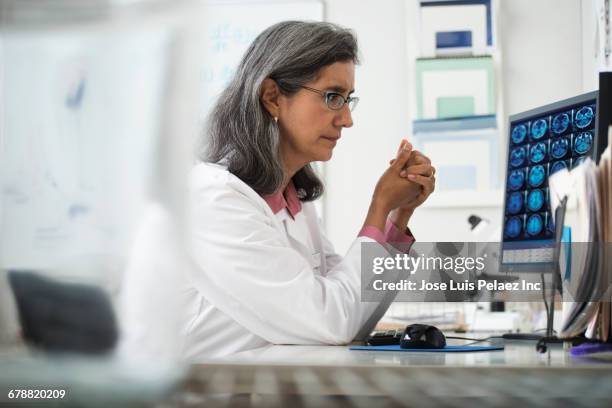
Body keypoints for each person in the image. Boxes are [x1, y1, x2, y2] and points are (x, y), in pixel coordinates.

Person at [183, 21, 435, 359]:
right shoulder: (214, 198)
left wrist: (396, 216)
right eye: (332, 97)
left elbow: (353, 318)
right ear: (272, 97)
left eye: (348, 100)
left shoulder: (291, 200)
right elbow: (333, 323)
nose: (347, 119)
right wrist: (379, 207)